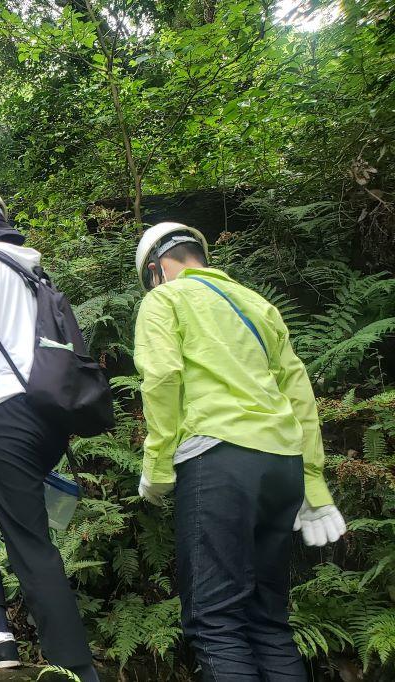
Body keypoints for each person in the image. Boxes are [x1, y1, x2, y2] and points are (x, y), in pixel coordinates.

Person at [133, 222, 347, 681]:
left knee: (215, 622)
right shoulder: (259, 305)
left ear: (156, 269)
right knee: (268, 622)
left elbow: (163, 377)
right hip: (283, 466)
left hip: (218, 459)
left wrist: (157, 466)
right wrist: (314, 482)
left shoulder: (164, 299)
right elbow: (300, 396)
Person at [0, 183, 98, 678]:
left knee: (30, 546)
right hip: (48, 420)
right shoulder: (32, 271)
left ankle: (78, 671)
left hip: (5, 417)